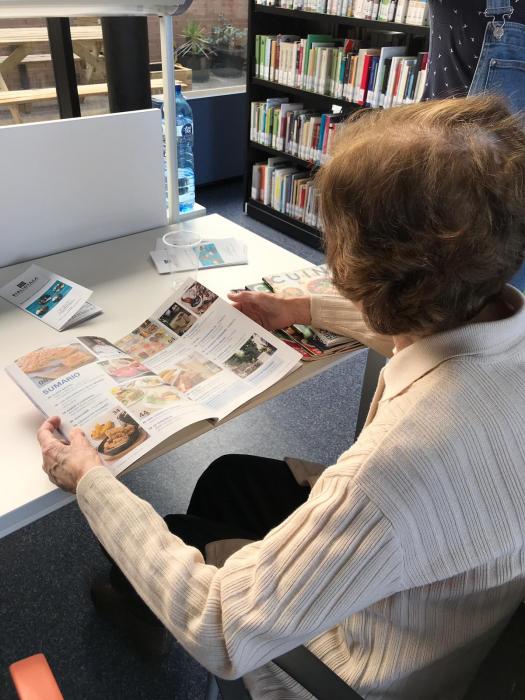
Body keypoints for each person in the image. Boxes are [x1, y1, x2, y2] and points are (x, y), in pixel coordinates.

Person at [37, 95, 525, 700]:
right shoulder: (491, 319)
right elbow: (433, 326)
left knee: (177, 532)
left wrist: (90, 480)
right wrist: (302, 308)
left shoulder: (392, 471)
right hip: (446, 602)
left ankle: (139, 614)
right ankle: (148, 608)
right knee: (229, 476)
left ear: (357, 265)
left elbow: (221, 626)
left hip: (354, 665)